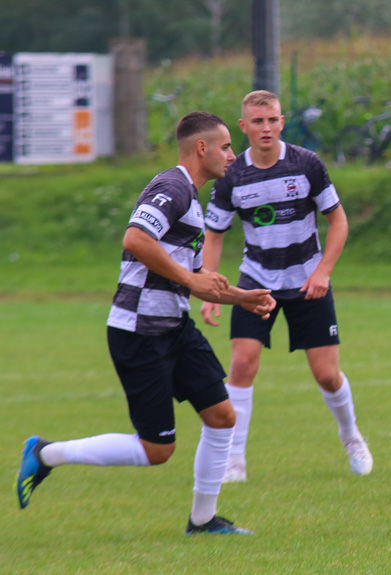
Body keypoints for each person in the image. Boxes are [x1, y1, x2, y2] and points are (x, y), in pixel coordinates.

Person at [16, 111, 276, 535]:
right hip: (139, 331)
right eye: (227, 147)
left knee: (223, 416)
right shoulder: (172, 187)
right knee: (158, 449)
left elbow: (193, 282)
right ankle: (45, 454)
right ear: (202, 148)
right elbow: (136, 239)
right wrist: (192, 278)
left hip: (174, 327)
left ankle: (204, 521)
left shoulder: (193, 198)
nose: (233, 155)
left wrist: (242, 298)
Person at [200, 90, 372, 481]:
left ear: (282, 122)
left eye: (273, 120)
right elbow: (213, 235)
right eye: (257, 122)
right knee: (242, 364)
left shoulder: (307, 164)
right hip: (256, 282)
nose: (266, 128)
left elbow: (339, 221)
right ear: (243, 127)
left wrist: (323, 271)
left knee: (327, 374)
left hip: (307, 281)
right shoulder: (231, 175)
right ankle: (234, 460)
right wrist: (210, 287)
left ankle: (351, 437)